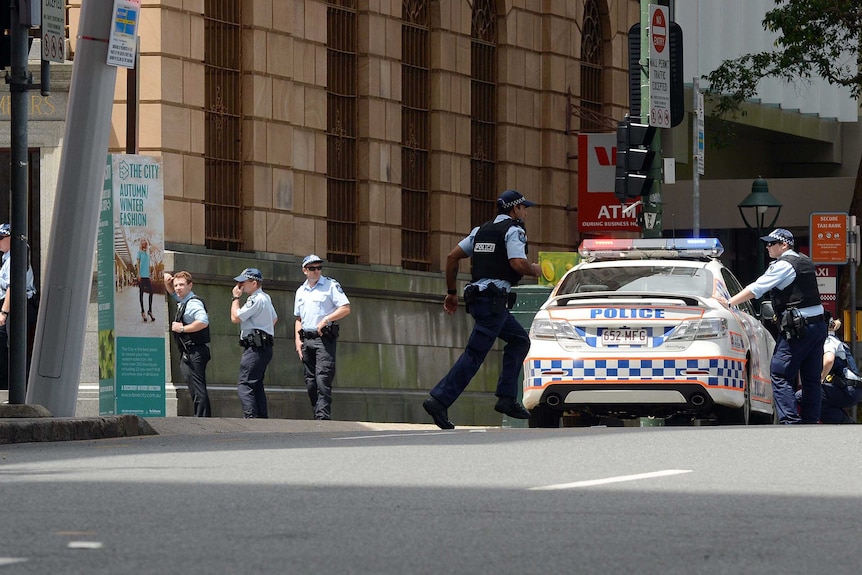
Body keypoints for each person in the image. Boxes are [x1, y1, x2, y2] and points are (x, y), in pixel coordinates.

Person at [422, 189, 541, 429]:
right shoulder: (514, 230)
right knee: (474, 354)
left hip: (480, 300)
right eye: (523, 208)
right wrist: (535, 270)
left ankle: (506, 398)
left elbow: (451, 257)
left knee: (519, 341)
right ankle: (439, 400)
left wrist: (451, 293)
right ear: (515, 209)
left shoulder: (480, 231)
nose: (526, 212)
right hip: (494, 302)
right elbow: (517, 263)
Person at [720, 228, 826, 424]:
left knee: (779, 373)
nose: (767, 247)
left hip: (799, 329)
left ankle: (791, 422)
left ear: (784, 245)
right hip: (818, 327)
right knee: (811, 378)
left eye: (771, 243)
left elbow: (756, 289)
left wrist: (728, 303)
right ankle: (811, 422)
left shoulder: (783, 265)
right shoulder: (805, 261)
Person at [294, 255, 351, 420]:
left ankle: (323, 418)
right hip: (306, 339)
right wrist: (298, 341)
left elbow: (345, 308)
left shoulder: (330, 285)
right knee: (310, 382)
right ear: (305, 270)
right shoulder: (300, 291)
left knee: (322, 378)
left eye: (319, 268)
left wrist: (326, 319)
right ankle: (317, 414)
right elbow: (298, 318)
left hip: (323, 339)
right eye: (312, 268)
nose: (317, 271)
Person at [231, 267, 277, 418]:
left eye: (243, 282)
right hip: (263, 346)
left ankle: (251, 417)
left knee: (245, 384)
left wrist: (235, 299)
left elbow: (235, 318)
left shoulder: (256, 299)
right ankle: (261, 419)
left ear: (254, 283)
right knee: (256, 384)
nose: (240, 286)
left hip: (255, 348)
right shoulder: (266, 297)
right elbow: (274, 319)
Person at [164, 271, 212, 417]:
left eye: (182, 285)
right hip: (189, 352)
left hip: (195, 351)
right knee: (194, 386)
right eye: (176, 285)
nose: (178, 288)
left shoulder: (193, 303)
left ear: (190, 286)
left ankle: (203, 419)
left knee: (197, 388)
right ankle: (203, 417)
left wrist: (183, 328)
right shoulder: (183, 301)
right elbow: (174, 294)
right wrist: (167, 282)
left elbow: (203, 321)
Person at [797, 318, 862, 423]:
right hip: (852, 389)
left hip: (847, 389)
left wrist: (819, 379)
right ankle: (845, 422)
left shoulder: (828, 339)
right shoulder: (835, 339)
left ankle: (844, 421)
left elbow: (829, 360)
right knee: (817, 401)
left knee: (803, 395)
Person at [0, 223, 37, 391]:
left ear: (10, 238)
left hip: (18, 306)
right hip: (11, 305)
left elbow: (12, 286)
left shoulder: (17, 254)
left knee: (14, 345)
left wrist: (3, 312)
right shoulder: (7, 257)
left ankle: (19, 385)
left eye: (1, 238)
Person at [137, 239, 155, 322]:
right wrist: (138, 274)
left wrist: (150, 274)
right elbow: (138, 264)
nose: (144, 243)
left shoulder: (148, 253)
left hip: (147, 276)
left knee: (151, 291)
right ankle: (142, 311)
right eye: (142, 242)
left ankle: (150, 311)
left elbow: (148, 265)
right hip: (141, 276)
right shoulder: (139, 252)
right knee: (141, 293)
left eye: (145, 242)